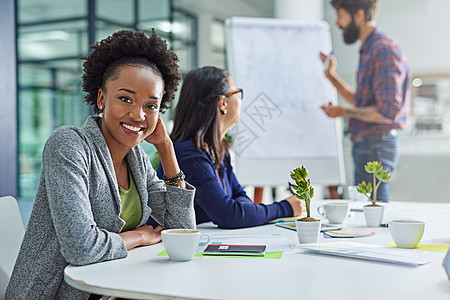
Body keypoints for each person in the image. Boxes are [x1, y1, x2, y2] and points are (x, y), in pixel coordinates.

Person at [6, 29, 196, 299]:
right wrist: (139, 236)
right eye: (126, 98)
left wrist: (166, 148)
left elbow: (182, 231)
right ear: (101, 99)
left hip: (117, 286)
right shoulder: (69, 145)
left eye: (151, 106)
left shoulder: (137, 159)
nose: (138, 114)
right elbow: (80, 248)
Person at [151, 66, 305, 229]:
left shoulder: (218, 149)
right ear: (223, 103)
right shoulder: (189, 154)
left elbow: (239, 197)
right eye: (237, 93)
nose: (240, 99)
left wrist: (240, 211)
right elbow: (229, 215)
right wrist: (285, 208)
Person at [319, 0, 410, 201]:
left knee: (373, 214)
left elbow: (387, 112)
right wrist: (331, 76)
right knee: (367, 212)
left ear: (359, 15)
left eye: (340, 16)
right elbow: (362, 101)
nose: (337, 23)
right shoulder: (369, 49)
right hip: (368, 144)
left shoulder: (383, 49)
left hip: (376, 145)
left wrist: (343, 112)